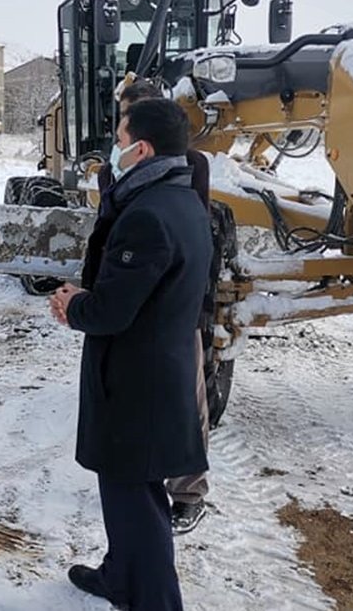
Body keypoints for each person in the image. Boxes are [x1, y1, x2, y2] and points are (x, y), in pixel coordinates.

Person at [51, 98, 213, 610]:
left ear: (141, 149)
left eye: (119, 142)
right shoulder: (182, 200)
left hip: (137, 385)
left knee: (136, 501)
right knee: (125, 496)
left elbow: (111, 312)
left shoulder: (149, 215)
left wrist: (74, 305)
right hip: (153, 374)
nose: (113, 152)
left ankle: (155, 600)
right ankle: (120, 576)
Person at [94, 80, 213, 535]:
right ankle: (135, 482)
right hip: (128, 296)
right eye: (125, 115)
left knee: (186, 398)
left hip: (173, 303)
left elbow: (193, 232)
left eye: (136, 115)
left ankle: (187, 491)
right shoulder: (113, 172)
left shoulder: (191, 166)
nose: (123, 133)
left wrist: (194, 300)